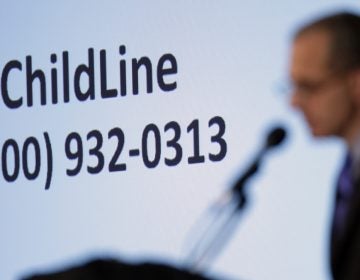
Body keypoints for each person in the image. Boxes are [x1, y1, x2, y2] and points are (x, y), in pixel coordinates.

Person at [289, 11, 360, 280]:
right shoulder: (349, 172)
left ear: (355, 82)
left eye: (308, 86)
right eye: (292, 87)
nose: (294, 103)